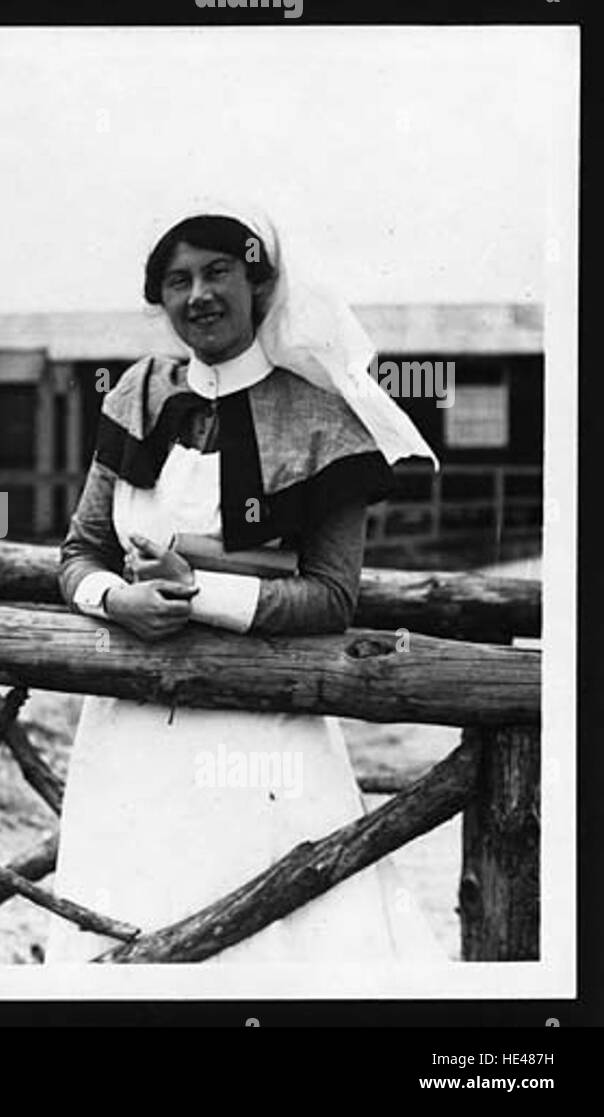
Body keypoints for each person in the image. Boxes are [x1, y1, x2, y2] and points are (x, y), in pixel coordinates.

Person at [47, 202, 445, 964]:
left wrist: (197, 593)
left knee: (273, 948)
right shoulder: (137, 395)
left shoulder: (320, 418)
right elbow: (78, 553)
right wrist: (117, 598)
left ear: (259, 283)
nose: (199, 294)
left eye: (218, 272)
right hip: (129, 735)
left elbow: (332, 596)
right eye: (178, 280)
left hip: (262, 734)